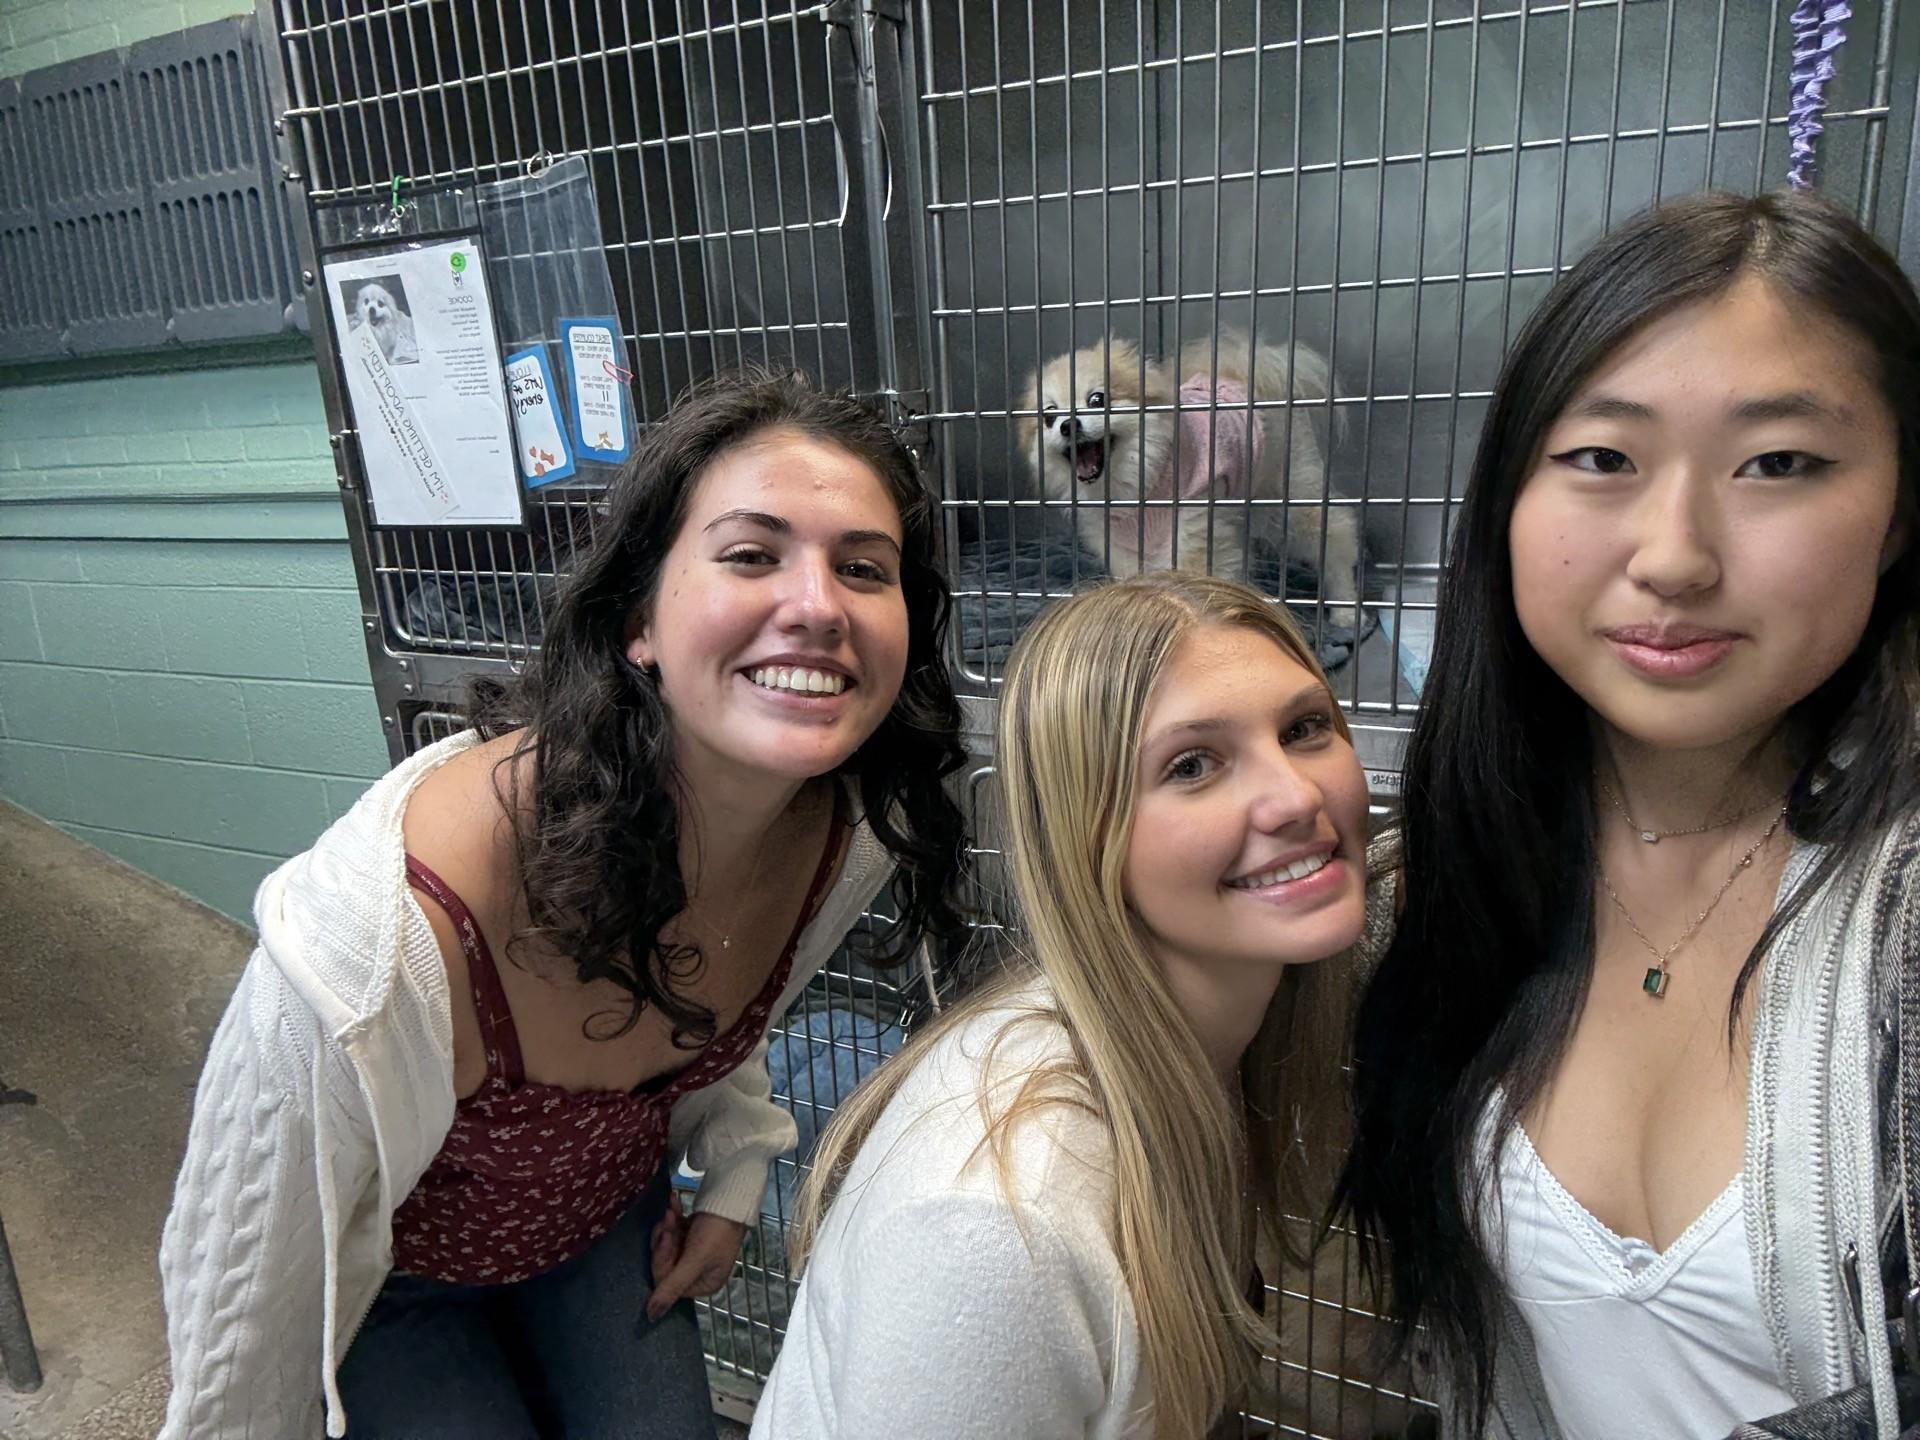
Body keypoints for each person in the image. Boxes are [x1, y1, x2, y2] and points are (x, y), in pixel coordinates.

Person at [156, 370, 970, 1439]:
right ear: (640, 620)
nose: (818, 605)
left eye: (863, 567)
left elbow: (732, 1013)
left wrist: (733, 1173)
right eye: (750, 554)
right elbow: (237, 1284)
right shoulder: (386, 931)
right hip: (394, 1281)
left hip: (599, 1231)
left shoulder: (839, 829)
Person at [1335, 190, 1920, 1439]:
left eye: (1779, 464)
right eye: (1603, 458)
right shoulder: (1458, 879)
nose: (1675, 555)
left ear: (1901, 512)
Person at [752, 571, 1378, 1439]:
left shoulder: (1196, 1041)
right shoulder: (999, 1227)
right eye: (1192, 765)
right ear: (1084, 836)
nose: (1298, 797)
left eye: (1305, 728)